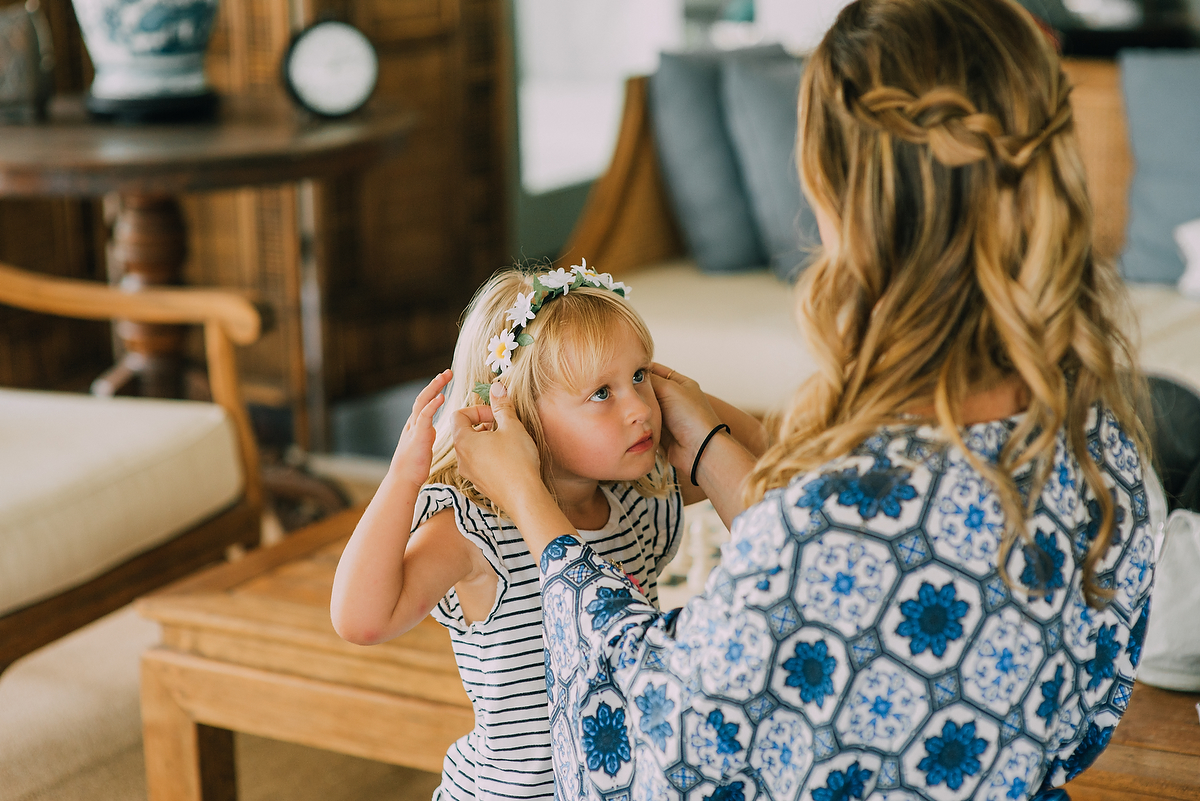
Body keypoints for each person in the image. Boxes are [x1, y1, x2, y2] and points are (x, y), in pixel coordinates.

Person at [448, 0, 1161, 798]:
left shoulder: (825, 521)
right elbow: (836, 611)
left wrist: (529, 507)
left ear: (846, 204)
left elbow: (660, 754)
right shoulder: (1100, 446)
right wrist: (713, 444)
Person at [329, 263, 767, 801]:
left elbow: (760, 456)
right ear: (517, 412)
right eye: (601, 393)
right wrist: (403, 477)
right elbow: (360, 620)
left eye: (639, 377)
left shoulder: (634, 502)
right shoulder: (477, 530)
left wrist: (687, 404)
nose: (638, 409)